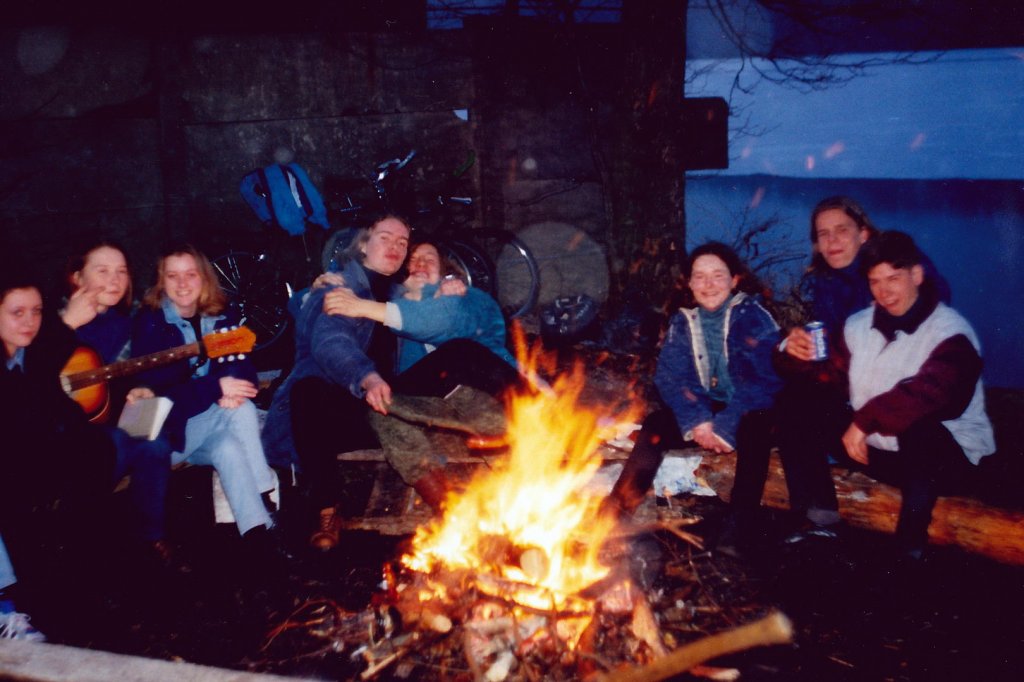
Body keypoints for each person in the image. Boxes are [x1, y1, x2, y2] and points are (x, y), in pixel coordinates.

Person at [773, 196, 950, 542]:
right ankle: (817, 517)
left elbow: (935, 291)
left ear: (864, 234)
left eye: (842, 230)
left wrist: (896, 302)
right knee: (794, 399)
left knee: (803, 401)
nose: (832, 241)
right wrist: (789, 345)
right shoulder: (827, 282)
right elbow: (832, 351)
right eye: (823, 234)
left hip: (905, 411)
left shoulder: (891, 261)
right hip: (858, 398)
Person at [603, 242, 782, 548]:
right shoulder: (684, 322)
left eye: (717, 275)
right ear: (689, 283)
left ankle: (738, 527)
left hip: (754, 408)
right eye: (700, 276)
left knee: (754, 427)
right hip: (710, 409)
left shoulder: (753, 316)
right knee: (657, 424)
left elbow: (761, 382)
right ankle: (615, 513)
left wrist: (724, 428)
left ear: (734, 279)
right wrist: (698, 420)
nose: (708, 284)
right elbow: (671, 378)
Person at [839, 231, 994, 559]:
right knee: (803, 402)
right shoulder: (857, 326)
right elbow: (826, 371)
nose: (884, 291)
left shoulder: (951, 332)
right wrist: (792, 351)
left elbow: (933, 393)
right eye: (875, 281)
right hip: (878, 451)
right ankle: (817, 519)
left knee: (920, 429)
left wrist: (864, 420)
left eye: (893, 278)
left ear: (917, 275)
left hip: (948, 462)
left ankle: (909, 549)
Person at [263, 215, 412, 551]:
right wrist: (366, 377)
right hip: (343, 407)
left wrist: (451, 289)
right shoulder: (339, 288)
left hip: (391, 406)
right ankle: (326, 509)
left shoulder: (404, 295)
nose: (395, 247)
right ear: (363, 244)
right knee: (307, 391)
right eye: (385, 237)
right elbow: (331, 342)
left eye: (402, 242)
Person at [131, 244, 278, 549]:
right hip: (164, 438)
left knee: (228, 447)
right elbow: (158, 399)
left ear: (204, 277)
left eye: (191, 274)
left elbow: (244, 372)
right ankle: (265, 491)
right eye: (173, 276)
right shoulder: (151, 323)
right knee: (239, 411)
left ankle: (259, 535)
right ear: (161, 281)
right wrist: (216, 388)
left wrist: (229, 386)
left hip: (203, 430)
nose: (182, 283)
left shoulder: (219, 315)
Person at [0, 265, 116, 638]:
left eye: (36, 311)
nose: (29, 322)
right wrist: (65, 325)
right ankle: (19, 609)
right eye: (17, 312)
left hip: (30, 474)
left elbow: (53, 406)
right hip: (11, 479)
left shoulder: (27, 354)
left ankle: (84, 590)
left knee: (94, 449)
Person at [60, 240, 177, 567]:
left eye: (121, 271)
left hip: (113, 418)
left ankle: (151, 535)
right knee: (109, 445)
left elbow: (149, 368)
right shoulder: (47, 321)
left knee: (155, 442)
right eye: (103, 271)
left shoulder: (133, 320)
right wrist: (66, 325)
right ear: (77, 277)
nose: (114, 280)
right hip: (67, 434)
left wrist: (142, 387)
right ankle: (87, 549)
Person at [322, 240, 517, 373]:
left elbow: (441, 320)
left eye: (430, 259)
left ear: (443, 271)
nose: (421, 263)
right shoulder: (388, 302)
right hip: (430, 407)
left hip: (502, 392)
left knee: (459, 350)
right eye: (413, 259)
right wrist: (321, 287)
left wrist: (362, 307)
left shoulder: (465, 295)